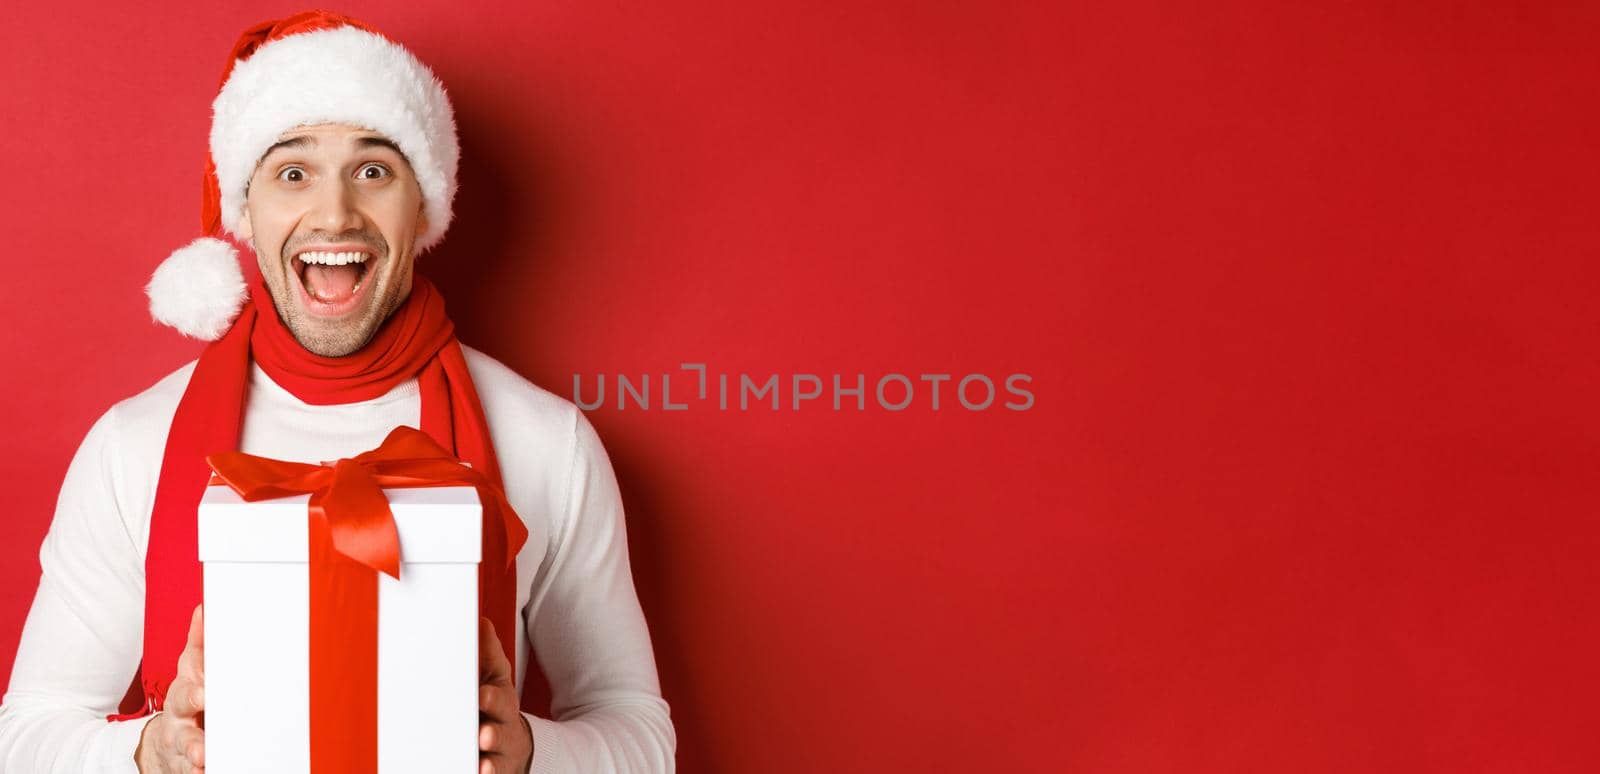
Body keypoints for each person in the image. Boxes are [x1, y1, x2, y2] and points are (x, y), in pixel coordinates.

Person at [0, 10, 675, 773]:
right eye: (293, 173)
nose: (334, 214)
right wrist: (151, 752)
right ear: (244, 211)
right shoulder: (133, 446)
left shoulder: (546, 442)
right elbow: (26, 739)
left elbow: (641, 737)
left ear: (424, 206)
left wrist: (529, 754)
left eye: (374, 170)